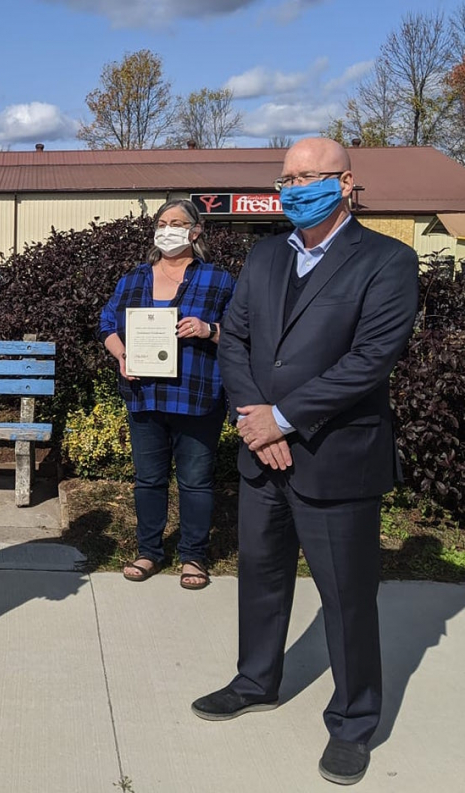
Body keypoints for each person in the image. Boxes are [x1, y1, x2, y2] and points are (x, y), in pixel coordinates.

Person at [191, 138, 419, 786]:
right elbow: (235, 337)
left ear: (346, 182)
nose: (295, 187)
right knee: (261, 578)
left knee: (347, 598)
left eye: (309, 176)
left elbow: (370, 360)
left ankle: (352, 722)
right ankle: (256, 679)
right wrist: (253, 416)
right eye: (287, 177)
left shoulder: (387, 261)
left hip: (337, 458)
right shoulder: (265, 253)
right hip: (264, 455)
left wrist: (282, 417)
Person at [99, 199, 235, 588]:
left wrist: (209, 329)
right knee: (148, 480)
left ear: (195, 231)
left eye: (177, 223)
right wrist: (121, 354)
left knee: (194, 481)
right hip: (144, 395)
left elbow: (245, 330)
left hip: (196, 395)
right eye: (161, 222)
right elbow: (107, 323)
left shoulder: (219, 281)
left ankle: (194, 556)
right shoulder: (132, 280)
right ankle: (149, 551)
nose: (167, 229)